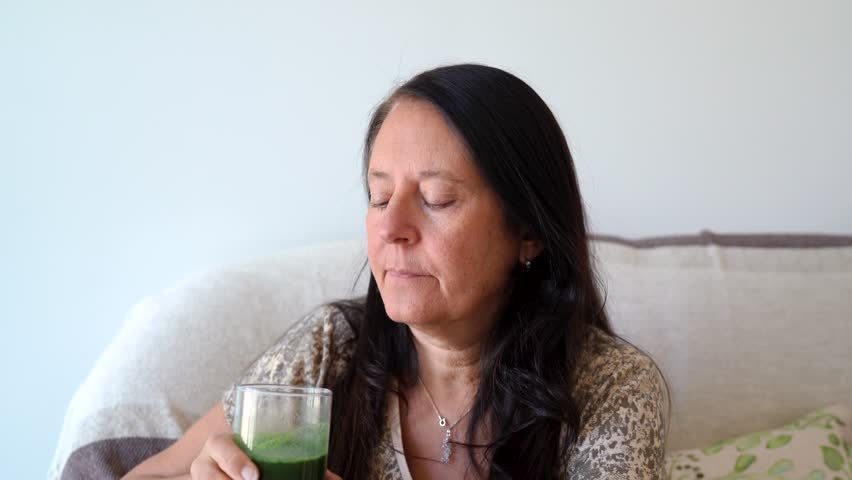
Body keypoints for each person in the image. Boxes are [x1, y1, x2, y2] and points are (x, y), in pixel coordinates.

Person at [123, 63, 670, 480]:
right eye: (379, 197)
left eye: (435, 199)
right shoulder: (331, 349)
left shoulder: (610, 388)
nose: (391, 228)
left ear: (527, 231)